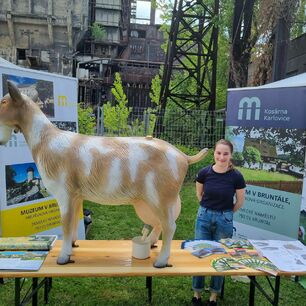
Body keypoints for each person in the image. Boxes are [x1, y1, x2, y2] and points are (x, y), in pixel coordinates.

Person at [191, 139, 246, 306]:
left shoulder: (236, 176)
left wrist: (226, 214)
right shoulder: (204, 173)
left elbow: (240, 201)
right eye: (218, 153)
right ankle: (197, 294)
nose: (221, 157)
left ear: (230, 155)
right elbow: (199, 195)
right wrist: (208, 209)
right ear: (214, 153)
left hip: (225, 219)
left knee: (220, 257)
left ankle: (213, 296)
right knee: (201, 254)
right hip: (204, 217)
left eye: (225, 154)